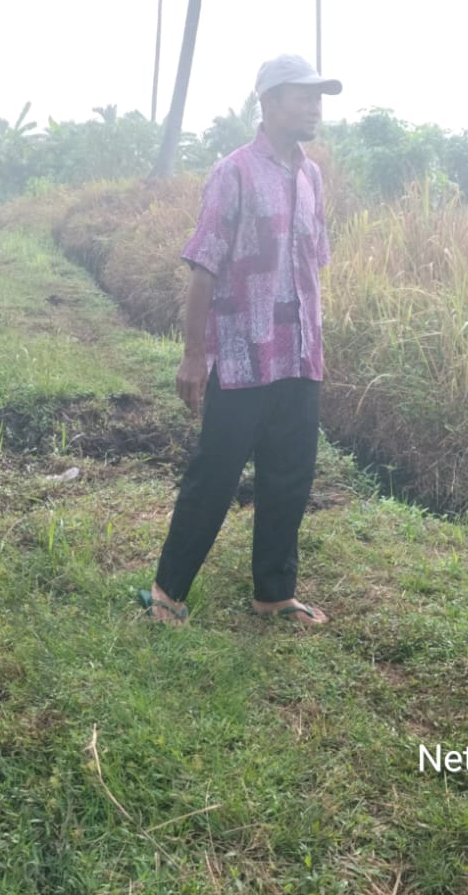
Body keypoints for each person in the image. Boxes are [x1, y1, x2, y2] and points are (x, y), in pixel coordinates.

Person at [137, 54, 340, 628]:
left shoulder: (311, 175)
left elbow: (311, 264)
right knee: (216, 473)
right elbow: (204, 268)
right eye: (303, 95)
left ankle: (273, 594)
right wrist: (194, 354)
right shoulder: (234, 172)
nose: (314, 106)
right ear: (269, 102)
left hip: (299, 355)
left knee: (290, 475)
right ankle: (167, 592)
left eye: (318, 96)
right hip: (241, 355)